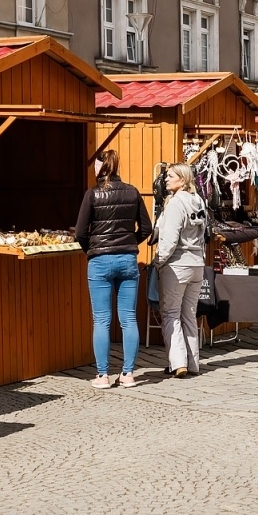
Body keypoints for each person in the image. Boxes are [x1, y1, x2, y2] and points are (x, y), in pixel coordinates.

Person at [75, 149, 152, 388]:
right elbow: (147, 228)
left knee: (102, 320)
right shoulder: (132, 191)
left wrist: (93, 249)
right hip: (128, 259)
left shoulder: (92, 194)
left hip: (99, 261)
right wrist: (129, 243)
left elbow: (80, 232)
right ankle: (128, 374)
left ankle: (103, 375)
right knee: (128, 318)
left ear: (100, 167)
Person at [153, 163, 209, 377]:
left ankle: (178, 363)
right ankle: (193, 362)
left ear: (183, 180)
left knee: (171, 314)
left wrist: (159, 262)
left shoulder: (176, 203)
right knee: (189, 315)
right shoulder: (198, 201)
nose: (166, 179)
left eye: (170, 176)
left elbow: (169, 240)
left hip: (177, 265)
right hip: (196, 264)